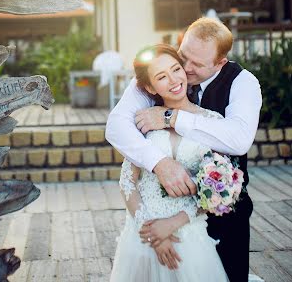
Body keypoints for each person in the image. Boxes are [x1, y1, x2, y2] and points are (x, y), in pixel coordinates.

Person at [106, 17, 262, 282]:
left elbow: (239, 140)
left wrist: (172, 118)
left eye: (197, 64)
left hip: (223, 213)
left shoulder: (243, 83)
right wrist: (159, 163)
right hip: (150, 226)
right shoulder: (161, 69)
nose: (186, 69)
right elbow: (116, 126)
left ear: (219, 63)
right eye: (183, 57)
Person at [110, 44, 229, 281]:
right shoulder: (143, 122)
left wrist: (172, 224)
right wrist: (152, 231)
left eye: (176, 69)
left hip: (188, 230)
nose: (174, 80)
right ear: (149, 87)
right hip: (143, 234)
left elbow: (220, 188)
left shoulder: (211, 121)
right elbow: (127, 182)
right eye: (161, 77)